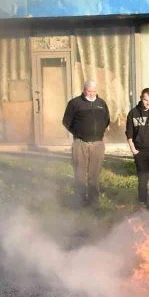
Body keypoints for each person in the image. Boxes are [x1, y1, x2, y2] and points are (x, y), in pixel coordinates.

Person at [62, 79, 110, 207]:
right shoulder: (75, 103)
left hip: (98, 144)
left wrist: (99, 132)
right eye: (89, 91)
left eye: (94, 91)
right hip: (80, 143)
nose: (91, 93)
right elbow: (66, 122)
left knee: (94, 173)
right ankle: (80, 200)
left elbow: (107, 120)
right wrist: (78, 133)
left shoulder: (101, 103)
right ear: (84, 90)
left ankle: (94, 201)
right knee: (80, 172)